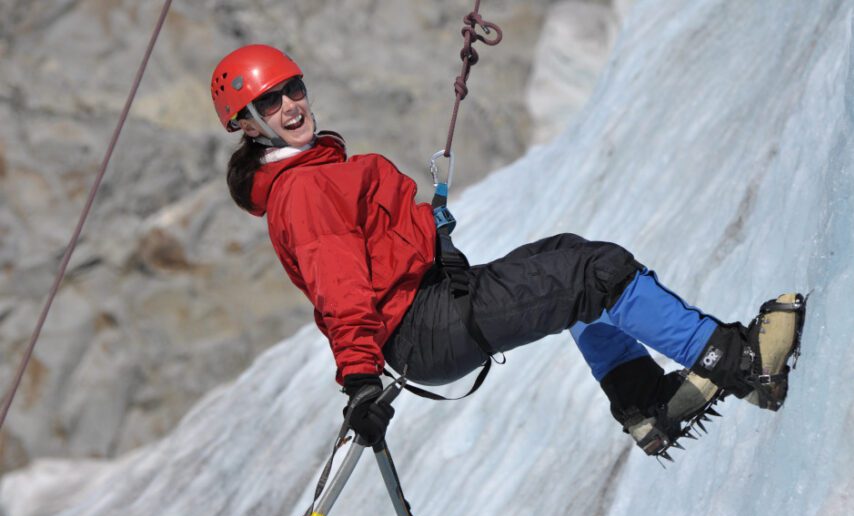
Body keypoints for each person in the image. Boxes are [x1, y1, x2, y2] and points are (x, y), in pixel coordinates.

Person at [210, 45, 805, 457]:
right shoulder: (305, 189)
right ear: (247, 125)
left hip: (431, 309)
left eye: (293, 89)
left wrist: (422, 232)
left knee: (569, 256)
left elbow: (369, 254)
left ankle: (643, 400)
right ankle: (732, 361)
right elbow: (338, 287)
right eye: (270, 103)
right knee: (592, 272)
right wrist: (360, 380)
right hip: (426, 326)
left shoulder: (313, 174)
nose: (290, 106)